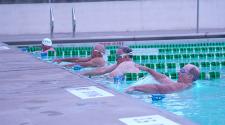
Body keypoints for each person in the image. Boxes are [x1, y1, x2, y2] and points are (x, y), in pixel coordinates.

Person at [125, 64, 200, 94]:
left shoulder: (182, 86)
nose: (178, 73)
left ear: (190, 76)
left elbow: (159, 88)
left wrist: (135, 87)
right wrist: (148, 70)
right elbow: (163, 78)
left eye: (182, 71)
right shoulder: (188, 85)